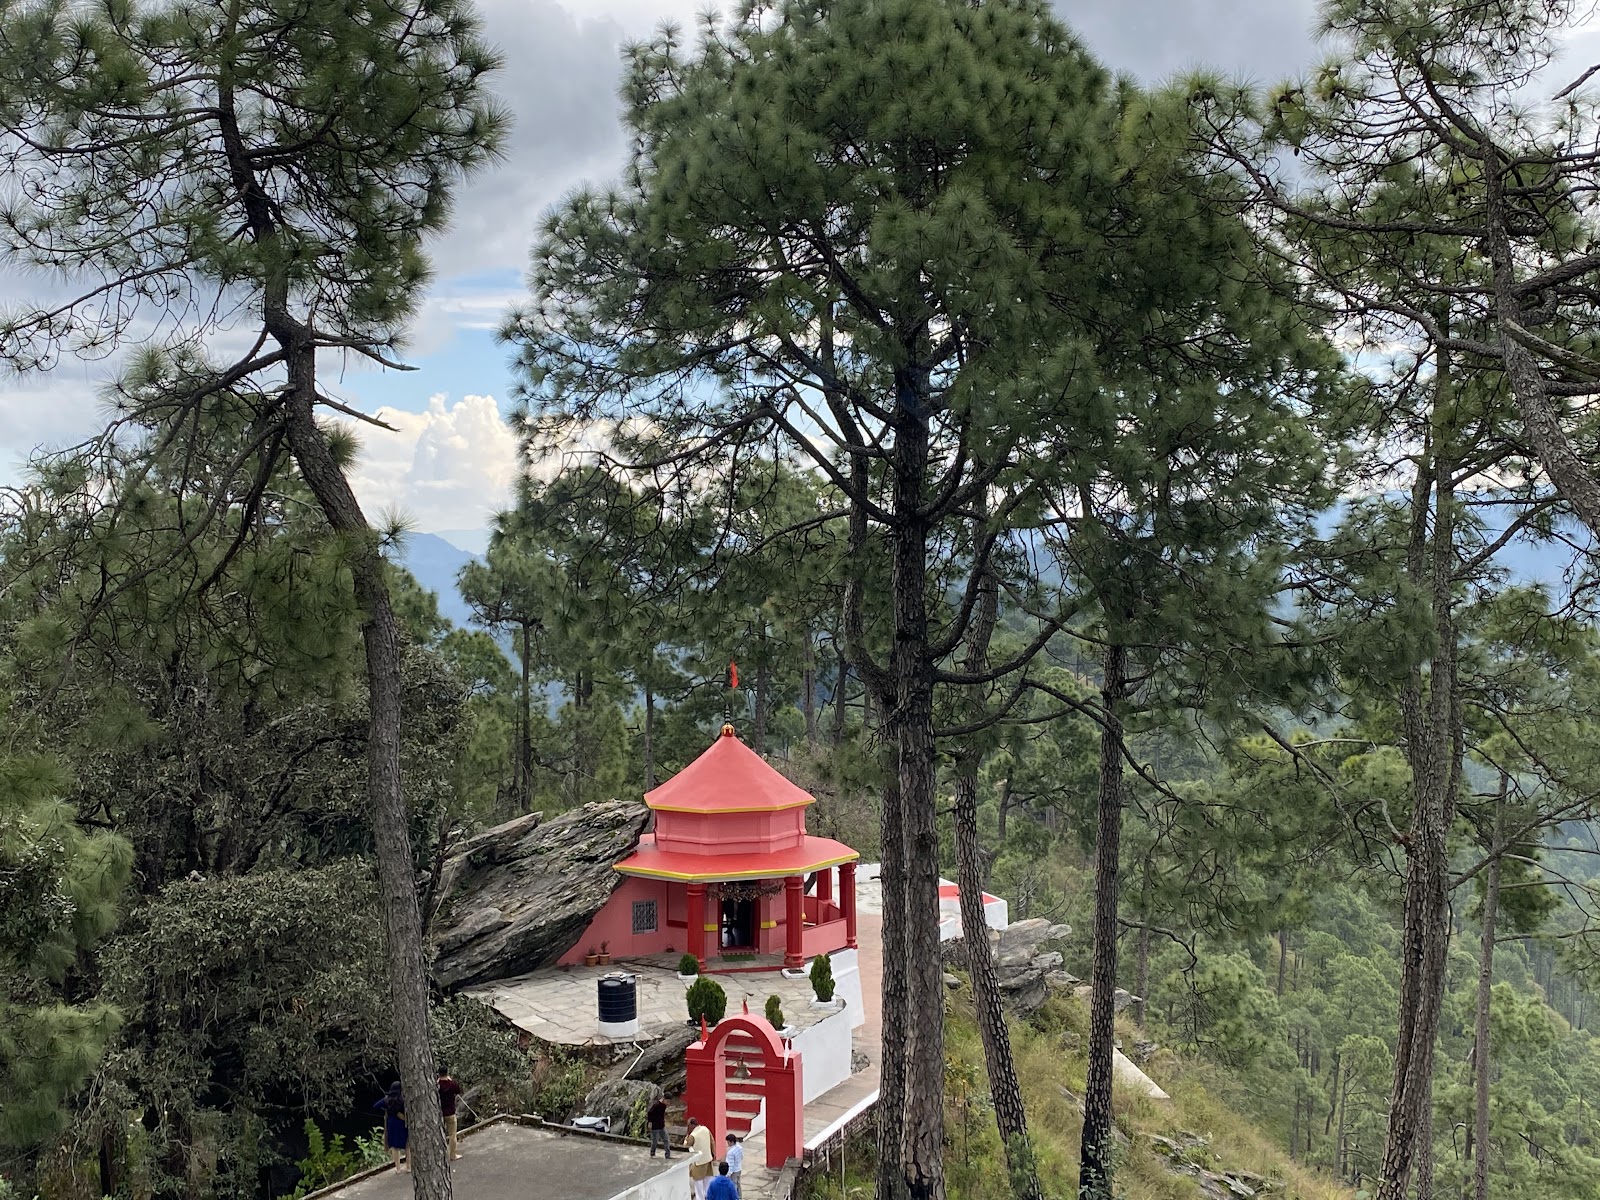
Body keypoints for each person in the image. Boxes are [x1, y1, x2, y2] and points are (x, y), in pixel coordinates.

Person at [372, 1082, 408, 1172]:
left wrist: (387, 1109)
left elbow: (375, 1106)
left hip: (392, 1124)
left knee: (395, 1147)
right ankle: (409, 1167)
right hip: (402, 1122)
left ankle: (398, 1169)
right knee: (407, 1145)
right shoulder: (403, 1099)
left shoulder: (387, 1100)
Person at [438, 1069, 464, 1162]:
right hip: (450, 1112)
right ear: (447, 1073)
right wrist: (450, 1080)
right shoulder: (451, 1084)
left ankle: (439, 1155)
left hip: (439, 1113)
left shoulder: (437, 1085)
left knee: (440, 1134)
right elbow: (458, 1090)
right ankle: (452, 1155)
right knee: (452, 1134)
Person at [685, 1117, 714, 1200]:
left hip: (699, 1161)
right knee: (708, 1180)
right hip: (708, 1158)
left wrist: (687, 1135)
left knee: (698, 1183)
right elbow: (712, 1141)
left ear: (691, 1125)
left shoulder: (693, 1135)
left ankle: (700, 1198)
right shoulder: (705, 1129)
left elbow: (686, 1145)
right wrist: (713, 1153)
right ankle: (708, 1197)